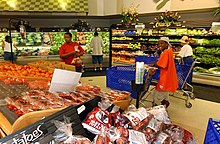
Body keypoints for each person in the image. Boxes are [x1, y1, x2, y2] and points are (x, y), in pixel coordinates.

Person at [152, 37, 178, 108]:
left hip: (164, 77)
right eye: (159, 43)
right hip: (168, 76)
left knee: (158, 93)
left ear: (166, 43)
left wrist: (155, 64)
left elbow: (162, 65)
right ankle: (165, 105)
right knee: (165, 93)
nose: (160, 45)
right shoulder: (169, 51)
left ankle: (158, 108)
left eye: (162, 43)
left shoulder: (166, 52)